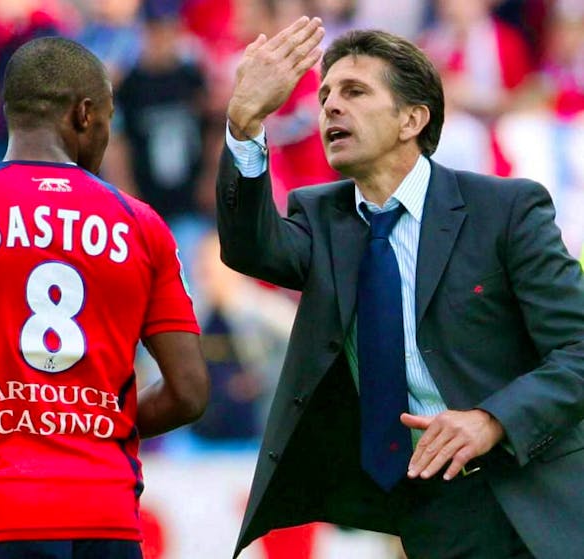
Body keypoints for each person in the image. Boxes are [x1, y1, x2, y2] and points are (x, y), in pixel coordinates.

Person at [218, 18, 584, 559]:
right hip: (432, 505)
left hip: (542, 493)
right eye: (324, 97)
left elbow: (577, 352)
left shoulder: (506, 210)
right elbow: (251, 248)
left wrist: (492, 420)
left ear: (413, 118)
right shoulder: (321, 220)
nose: (330, 107)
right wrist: (245, 123)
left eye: (355, 91)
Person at [0, 36, 209, 559]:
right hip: (107, 521)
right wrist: (97, 428)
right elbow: (189, 392)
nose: (105, 133)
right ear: (84, 113)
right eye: (107, 119)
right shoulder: (142, 226)